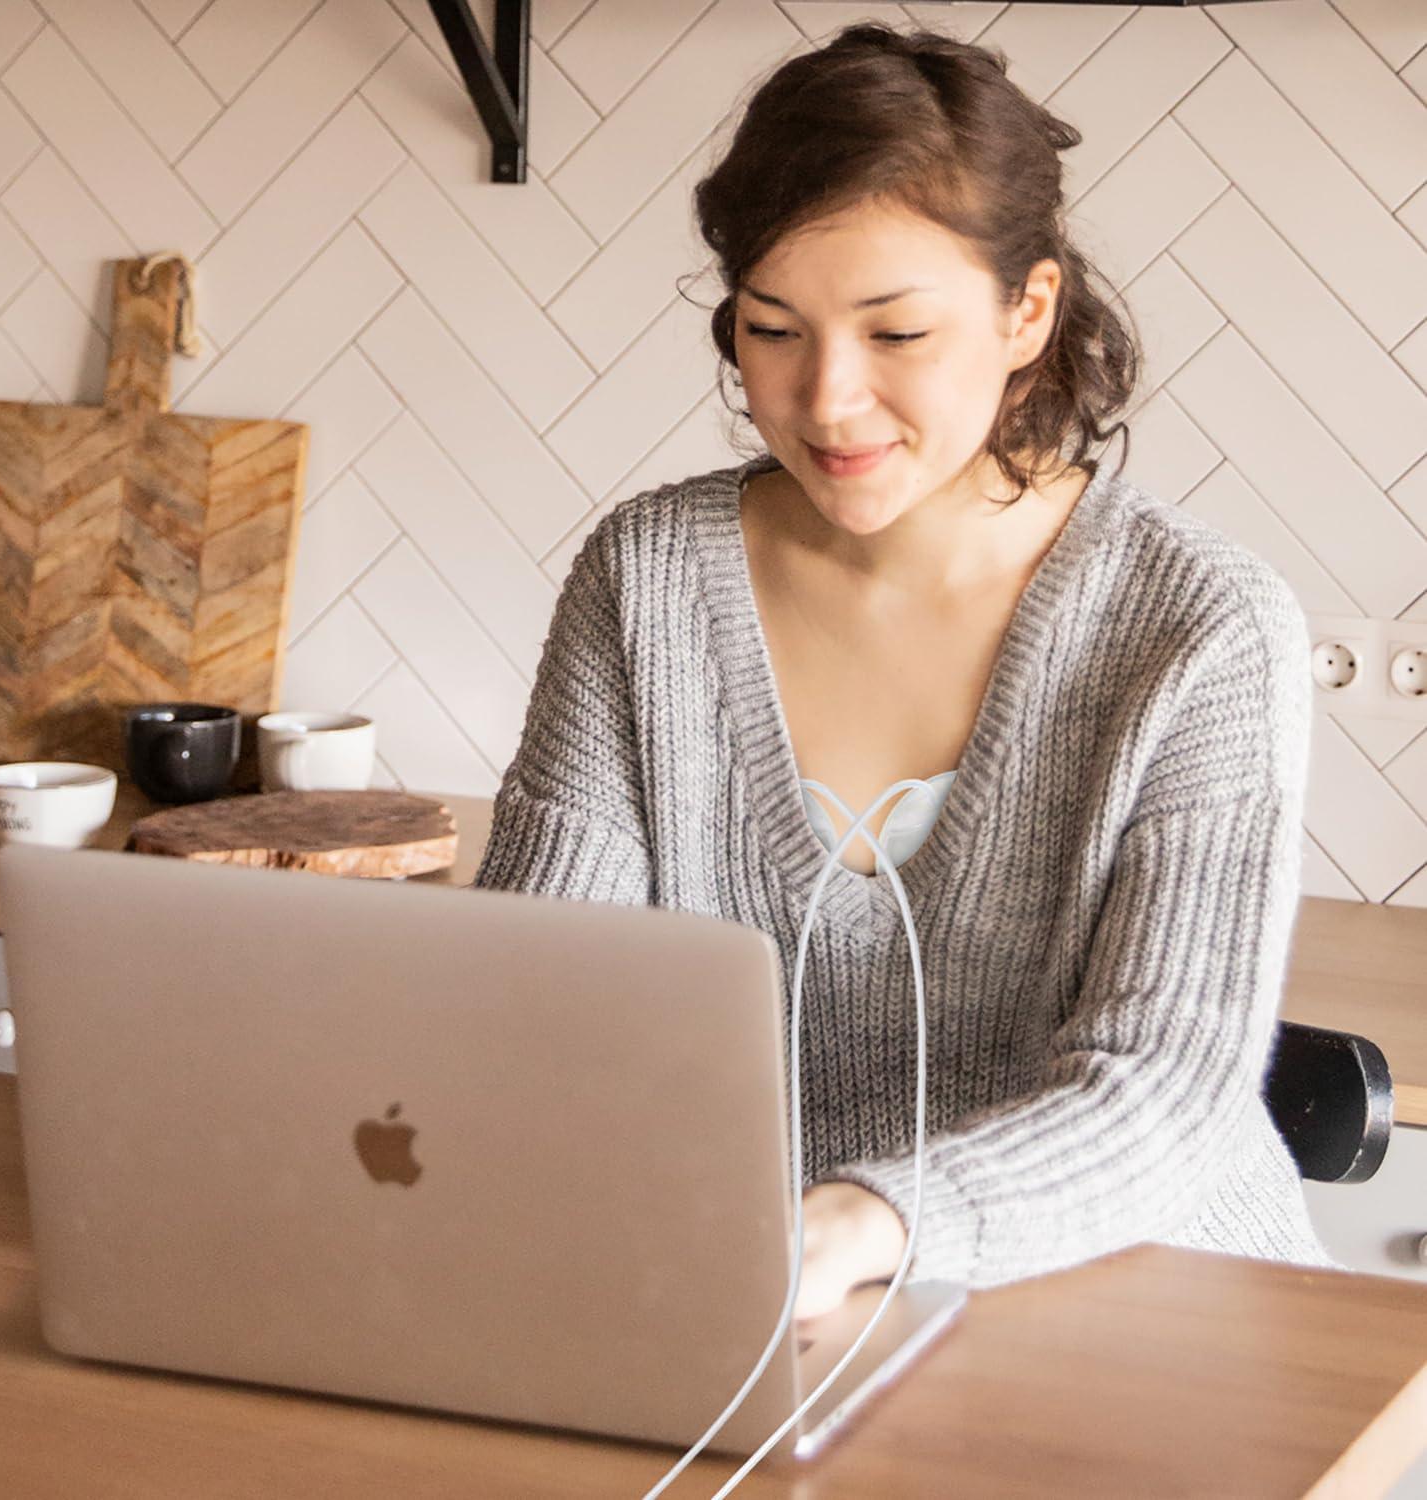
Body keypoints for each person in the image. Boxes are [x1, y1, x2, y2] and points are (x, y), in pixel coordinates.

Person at [470, 22, 1340, 1327]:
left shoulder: (1200, 627)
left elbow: (1161, 1093)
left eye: (896, 333)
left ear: (1026, 313)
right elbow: (540, 998)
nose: (826, 399)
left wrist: (869, 1220)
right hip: (762, 1308)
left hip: (1150, 1318)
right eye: (773, 329)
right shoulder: (647, 578)